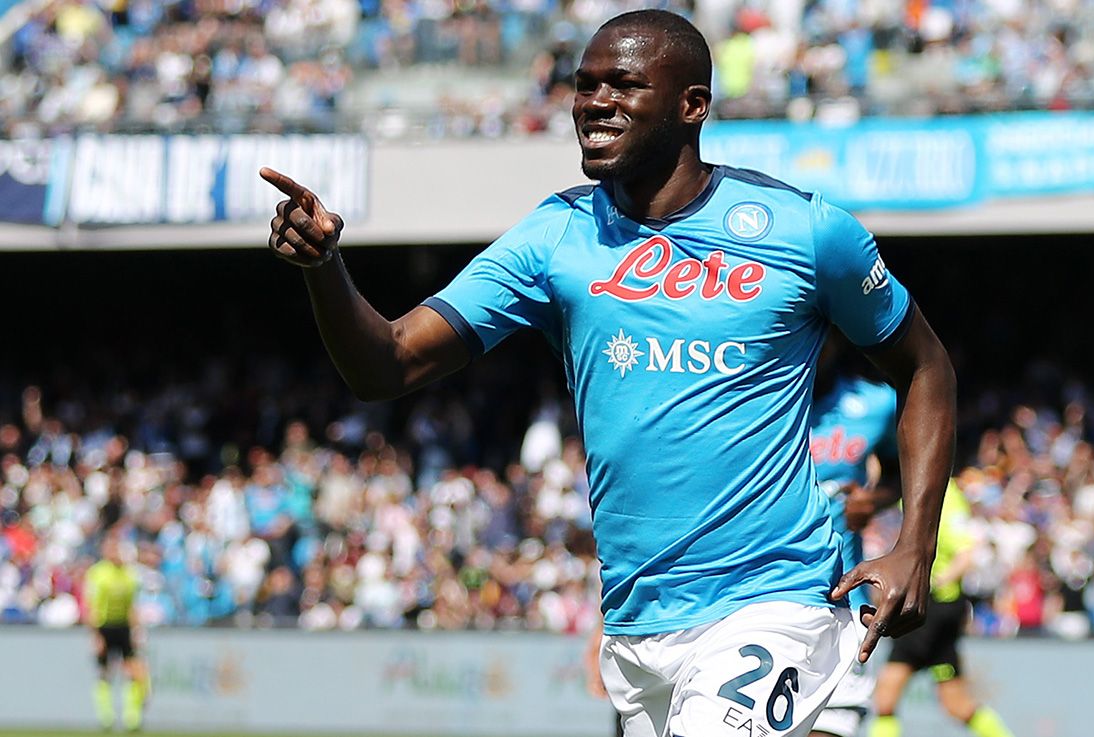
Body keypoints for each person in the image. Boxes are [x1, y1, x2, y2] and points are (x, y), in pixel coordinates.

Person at [260, 9, 957, 736]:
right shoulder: (555, 235)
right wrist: (324, 267)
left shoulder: (803, 231)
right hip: (637, 624)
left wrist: (916, 543)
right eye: (585, 85)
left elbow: (925, 368)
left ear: (692, 105)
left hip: (773, 600)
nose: (595, 102)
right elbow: (388, 363)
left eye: (623, 85)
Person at [867, 480, 1015, 737]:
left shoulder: (944, 496)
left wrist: (931, 583)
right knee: (955, 703)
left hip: (931, 608)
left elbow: (966, 554)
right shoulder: (924, 489)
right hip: (941, 609)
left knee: (885, 696)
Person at [807, 337, 902, 737]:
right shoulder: (754, 401)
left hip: (841, 606)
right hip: (756, 599)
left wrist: (873, 500)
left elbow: (902, 474)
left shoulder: (877, 404)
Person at [84, 536, 149, 732]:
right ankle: (106, 716)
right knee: (105, 671)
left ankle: (132, 717)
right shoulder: (98, 573)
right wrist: (96, 635)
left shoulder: (129, 574)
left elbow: (132, 606)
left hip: (123, 627)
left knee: (132, 670)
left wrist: (136, 630)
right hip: (104, 627)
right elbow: (92, 606)